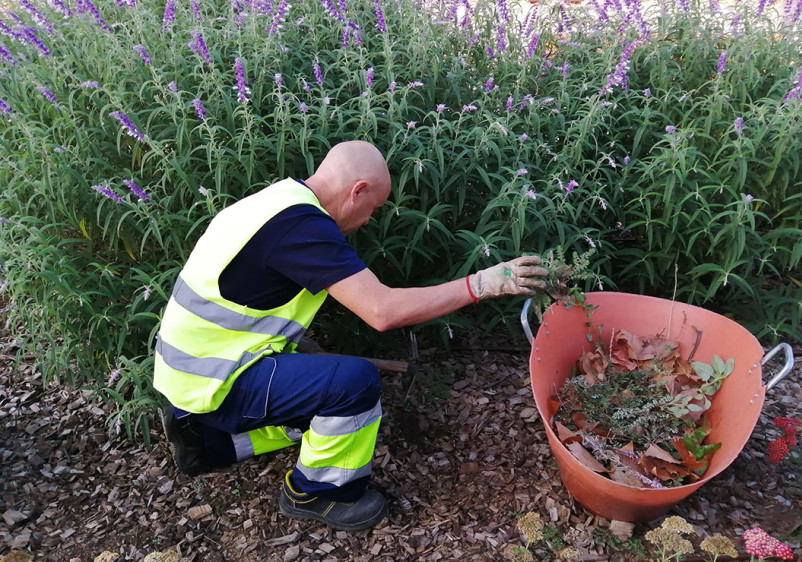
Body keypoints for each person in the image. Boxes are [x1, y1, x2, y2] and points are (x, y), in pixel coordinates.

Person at [153, 140, 549, 531]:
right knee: (352, 386)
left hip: (191, 369)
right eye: (372, 208)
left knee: (320, 398)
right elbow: (382, 311)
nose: (369, 220)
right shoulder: (302, 228)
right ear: (358, 190)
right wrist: (481, 284)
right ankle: (317, 493)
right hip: (218, 378)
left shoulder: (278, 201)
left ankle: (208, 442)